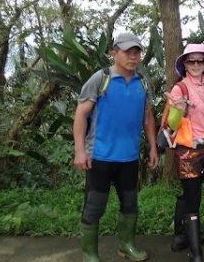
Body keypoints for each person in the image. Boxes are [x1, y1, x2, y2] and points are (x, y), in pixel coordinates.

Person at [73, 32, 159, 262]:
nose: (132, 56)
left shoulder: (142, 82)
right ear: (114, 53)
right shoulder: (100, 79)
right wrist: (80, 150)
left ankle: (126, 245)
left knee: (130, 204)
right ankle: (89, 253)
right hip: (99, 156)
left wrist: (152, 147)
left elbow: (148, 117)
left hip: (129, 157)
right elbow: (81, 114)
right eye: (127, 51)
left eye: (136, 52)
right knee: (95, 206)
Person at [163, 43, 204, 262]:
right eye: (192, 60)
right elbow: (172, 123)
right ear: (185, 64)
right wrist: (178, 110)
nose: (196, 64)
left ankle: (181, 236)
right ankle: (195, 253)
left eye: (201, 60)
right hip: (188, 151)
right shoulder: (180, 88)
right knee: (193, 196)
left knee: (190, 192)